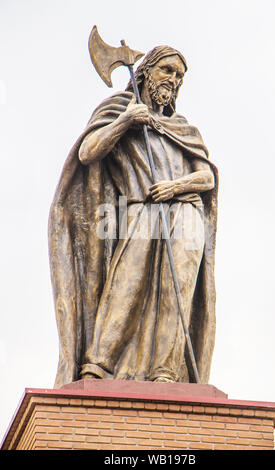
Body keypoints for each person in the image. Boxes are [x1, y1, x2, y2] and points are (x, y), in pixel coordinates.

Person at [49, 46, 218, 388]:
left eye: (179, 76)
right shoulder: (119, 112)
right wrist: (127, 120)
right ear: (144, 72)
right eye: (167, 70)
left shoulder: (184, 129)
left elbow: (207, 178)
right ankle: (100, 364)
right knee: (127, 284)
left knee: (178, 291)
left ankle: (166, 371)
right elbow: (88, 152)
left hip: (184, 212)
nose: (173, 80)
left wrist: (174, 186)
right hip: (140, 210)